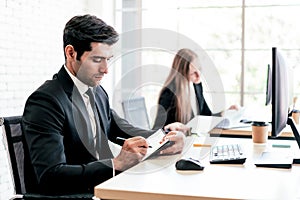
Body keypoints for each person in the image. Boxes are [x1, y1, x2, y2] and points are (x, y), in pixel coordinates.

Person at [22, 14, 187, 196]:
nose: (106, 69)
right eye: (97, 59)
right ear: (71, 53)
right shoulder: (46, 101)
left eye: (108, 59)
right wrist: (116, 164)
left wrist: (165, 138)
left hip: (102, 188)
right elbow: (51, 177)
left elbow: (125, 129)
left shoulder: (97, 92)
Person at [153, 48, 238, 129]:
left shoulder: (196, 86)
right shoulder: (169, 93)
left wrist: (224, 113)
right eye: (194, 72)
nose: (198, 76)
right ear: (182, 73)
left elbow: (206, 116)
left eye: (199, 70)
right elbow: (158, 129)